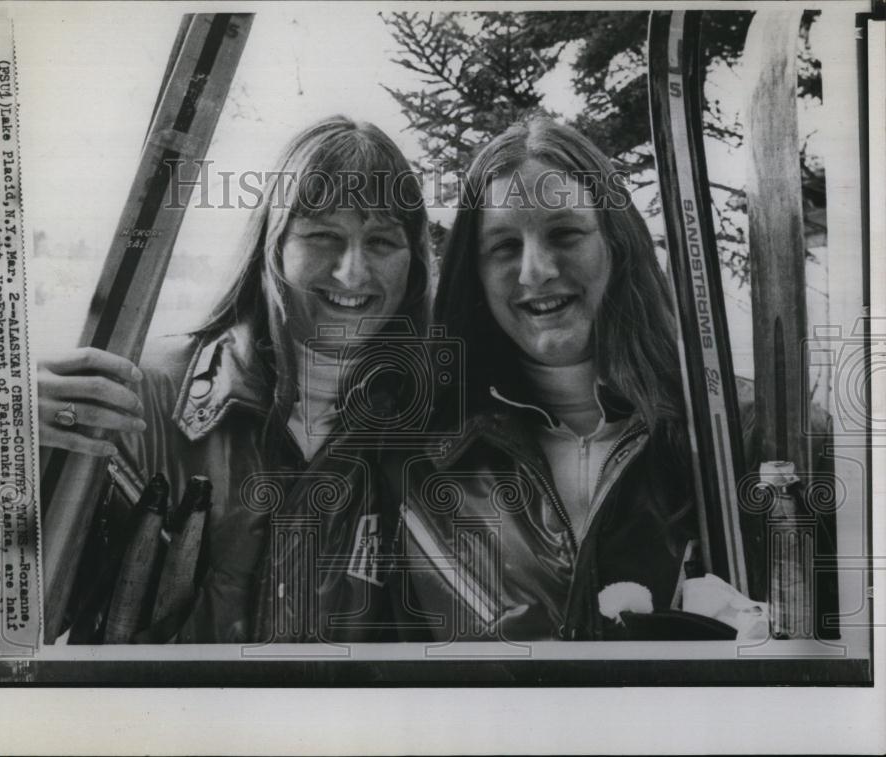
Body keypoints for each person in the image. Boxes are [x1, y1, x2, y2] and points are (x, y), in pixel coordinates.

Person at [38, 115, 431, 643]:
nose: (352, 272)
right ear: (273, 246)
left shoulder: (442, 429)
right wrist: (6, 447)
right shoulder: (148, 396)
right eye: (322, 236)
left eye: (382, 242)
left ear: (416, 264)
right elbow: (28, 611)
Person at [393, 115, 709, 641]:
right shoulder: (423, 459)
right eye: (505, 246)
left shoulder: (733, 432)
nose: (535, 270)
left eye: (564, 233)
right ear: (473, 272)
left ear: (617, 243)